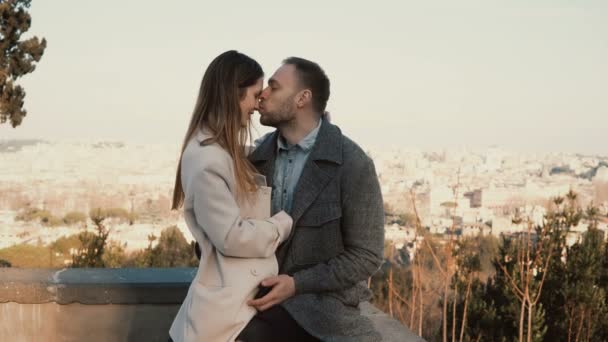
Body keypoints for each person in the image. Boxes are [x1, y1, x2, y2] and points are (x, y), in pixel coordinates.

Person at [238, 57, 385, 341]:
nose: (263, 94)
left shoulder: (351, 163)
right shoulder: (256, 159)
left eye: (274, 87)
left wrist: (296, 284)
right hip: (255, 302)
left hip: (322, 313)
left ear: (302, 98)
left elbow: (366, 255)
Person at [168, 50, 293, 342]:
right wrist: (281, 225)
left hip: (237, 302)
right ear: (232, 95)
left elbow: (246, 160)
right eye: (254, 94)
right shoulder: (207, 159)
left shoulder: (216, 150)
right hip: (230, 311)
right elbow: (231, 236)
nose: (258, 103)